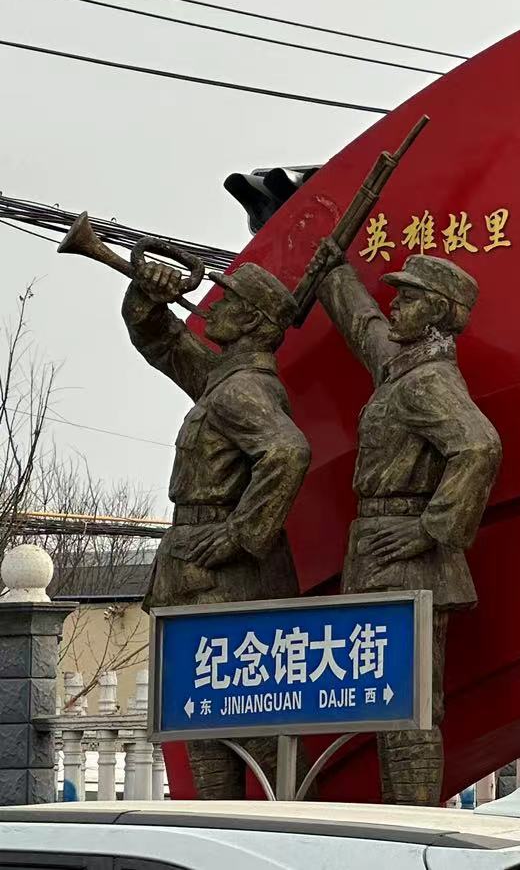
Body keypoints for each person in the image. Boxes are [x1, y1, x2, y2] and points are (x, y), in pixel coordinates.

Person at [306, 240, 502, 804]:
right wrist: (333, 271)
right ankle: (402, 817)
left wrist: (429, 529)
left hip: (407, 558)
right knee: (390, 703)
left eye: (409, 299)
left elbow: (479, 446)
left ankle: (413, 823)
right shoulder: (401, 367)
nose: (395, 306)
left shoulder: (426, 382)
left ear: (437, 311)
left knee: (409, 705)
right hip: (380, 553)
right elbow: (365, 326)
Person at [123, 257, 311, 799]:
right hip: (201, 574)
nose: (214, 306)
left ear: (251, 321)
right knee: (208, 729)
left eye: (228, 300)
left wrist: (238, 534)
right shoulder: (222, 380)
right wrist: (147, 297)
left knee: (251, 730)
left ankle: (278, 832)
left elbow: (288, 450)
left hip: (223, 581)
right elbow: (163, 342)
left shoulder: (239, 390)